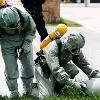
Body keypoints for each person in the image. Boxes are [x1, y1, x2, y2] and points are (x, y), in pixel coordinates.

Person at [0, 4, 36, 98]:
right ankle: (14, 92)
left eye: (16, 23)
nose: (15, 26)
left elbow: (31, 30)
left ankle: (28, 90)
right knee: (10, 68)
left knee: (28, 65)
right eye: (12, 25)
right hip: (6, 40)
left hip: (24, 37)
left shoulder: (25, 15)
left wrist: (27, 44)